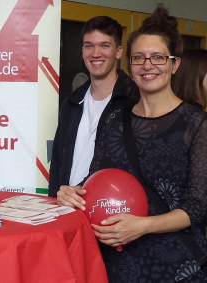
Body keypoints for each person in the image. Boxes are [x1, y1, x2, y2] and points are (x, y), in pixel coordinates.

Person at [70, 6, 207, 282]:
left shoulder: (197, 124)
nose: (148, 65)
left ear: (174, 64)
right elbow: (94, 179)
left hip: (176, 265)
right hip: (117, 262)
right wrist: (73, 193)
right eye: (139, 57)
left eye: (158, 57)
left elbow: (198, 206)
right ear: (129, 65)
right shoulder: (114, 121)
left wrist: (143, 226)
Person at [48, 16, 136, 199]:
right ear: (82, 51)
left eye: (105, 45)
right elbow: (57, 162)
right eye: (89, 45)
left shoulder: (134, 100)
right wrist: (53, 203)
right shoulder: (72, 101)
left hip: (110, 210)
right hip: (67, 209)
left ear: (119, 51)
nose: (96, 53)